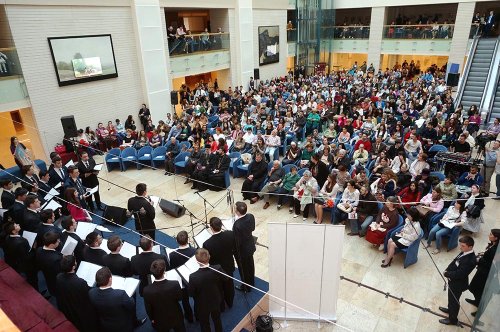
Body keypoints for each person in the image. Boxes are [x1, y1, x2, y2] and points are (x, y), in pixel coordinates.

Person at [438, 236, 476, 325]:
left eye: (463, 246)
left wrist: (447, 274)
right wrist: (448, 269)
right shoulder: (464, 252)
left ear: (470, 247)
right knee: (451, 300)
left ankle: (452, 320)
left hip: (458, 284)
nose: (460, 247)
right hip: (453, 281)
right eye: (460, 245)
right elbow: (455, 261)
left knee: (454, 301)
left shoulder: (470, 260)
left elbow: (460, 273)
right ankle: (450, 309)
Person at [89, 267, 139, 332]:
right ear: (110, 279)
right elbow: (131, 305)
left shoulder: (91, 292)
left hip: (105, 324)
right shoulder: (120, 294)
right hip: (123, 325)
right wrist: (129, 297)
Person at [56, 255, 99, 332]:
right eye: (75, 262)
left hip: (68, 305)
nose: (76, 262)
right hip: (81, 307)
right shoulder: (80, 282)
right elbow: (88, 294)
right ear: (73, 267)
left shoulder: (59, 277)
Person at [189, 248, 226, 332]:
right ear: (209, 257)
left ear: (197, 261)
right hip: (215, 299)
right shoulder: (217, 268)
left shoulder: (193, 277)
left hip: (202, 304)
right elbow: (226, 278)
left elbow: (191, 293)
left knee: (204, 323)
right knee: (217, 319)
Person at [143, 259, 185, 332]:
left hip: (159, 318)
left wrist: (152, 319)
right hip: (176, 314)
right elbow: (180, 298)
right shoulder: (174, 284)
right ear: (164, 270)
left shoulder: (146, 290)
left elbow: (148, 307)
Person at [203, 217, 236, 308]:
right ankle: (230, 303)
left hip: (216, 270)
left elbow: (207, 259)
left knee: (219, 289)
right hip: (228, 265)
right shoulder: (230, 234)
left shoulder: (207, 244)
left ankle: (221, 306)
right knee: (229, 286)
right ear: (221, 225)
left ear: (211, 227)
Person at [466, 228, 499, 314]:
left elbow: (493, 264)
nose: (489, 235)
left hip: (486, 273)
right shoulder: (493, 245)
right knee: (473, 287)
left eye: (491, 234)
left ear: (496, 238)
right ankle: (477, 301)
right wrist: (483, 255)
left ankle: (479, 309)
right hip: (482, 270)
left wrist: (479, 260)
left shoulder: (496, 251)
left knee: (479, 290)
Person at [2, 222, 38, 289]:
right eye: (16, 225)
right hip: (27, 265)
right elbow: (27, 257)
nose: (18, 224)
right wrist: (34, 249)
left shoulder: (8, 237)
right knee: (33, 279)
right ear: (13, 231)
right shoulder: (21, 242)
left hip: (17, 261)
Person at [233, 201, 256, 292]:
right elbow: (253, 228)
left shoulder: (237, 225)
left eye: (235, 209)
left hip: (242, 251)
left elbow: (237, 241)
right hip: (250, 245)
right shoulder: (250, 216)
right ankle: (252, 281)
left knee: (244, 270)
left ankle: (246, 287)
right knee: (250, 265)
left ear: (238, 212)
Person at [35, 231, 62, 298]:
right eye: (58, 241)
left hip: (47, 275)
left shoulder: (39, 249)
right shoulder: (56, 259)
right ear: (51, 245)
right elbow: (60, 272)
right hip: (56, 280)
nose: (59, 242)